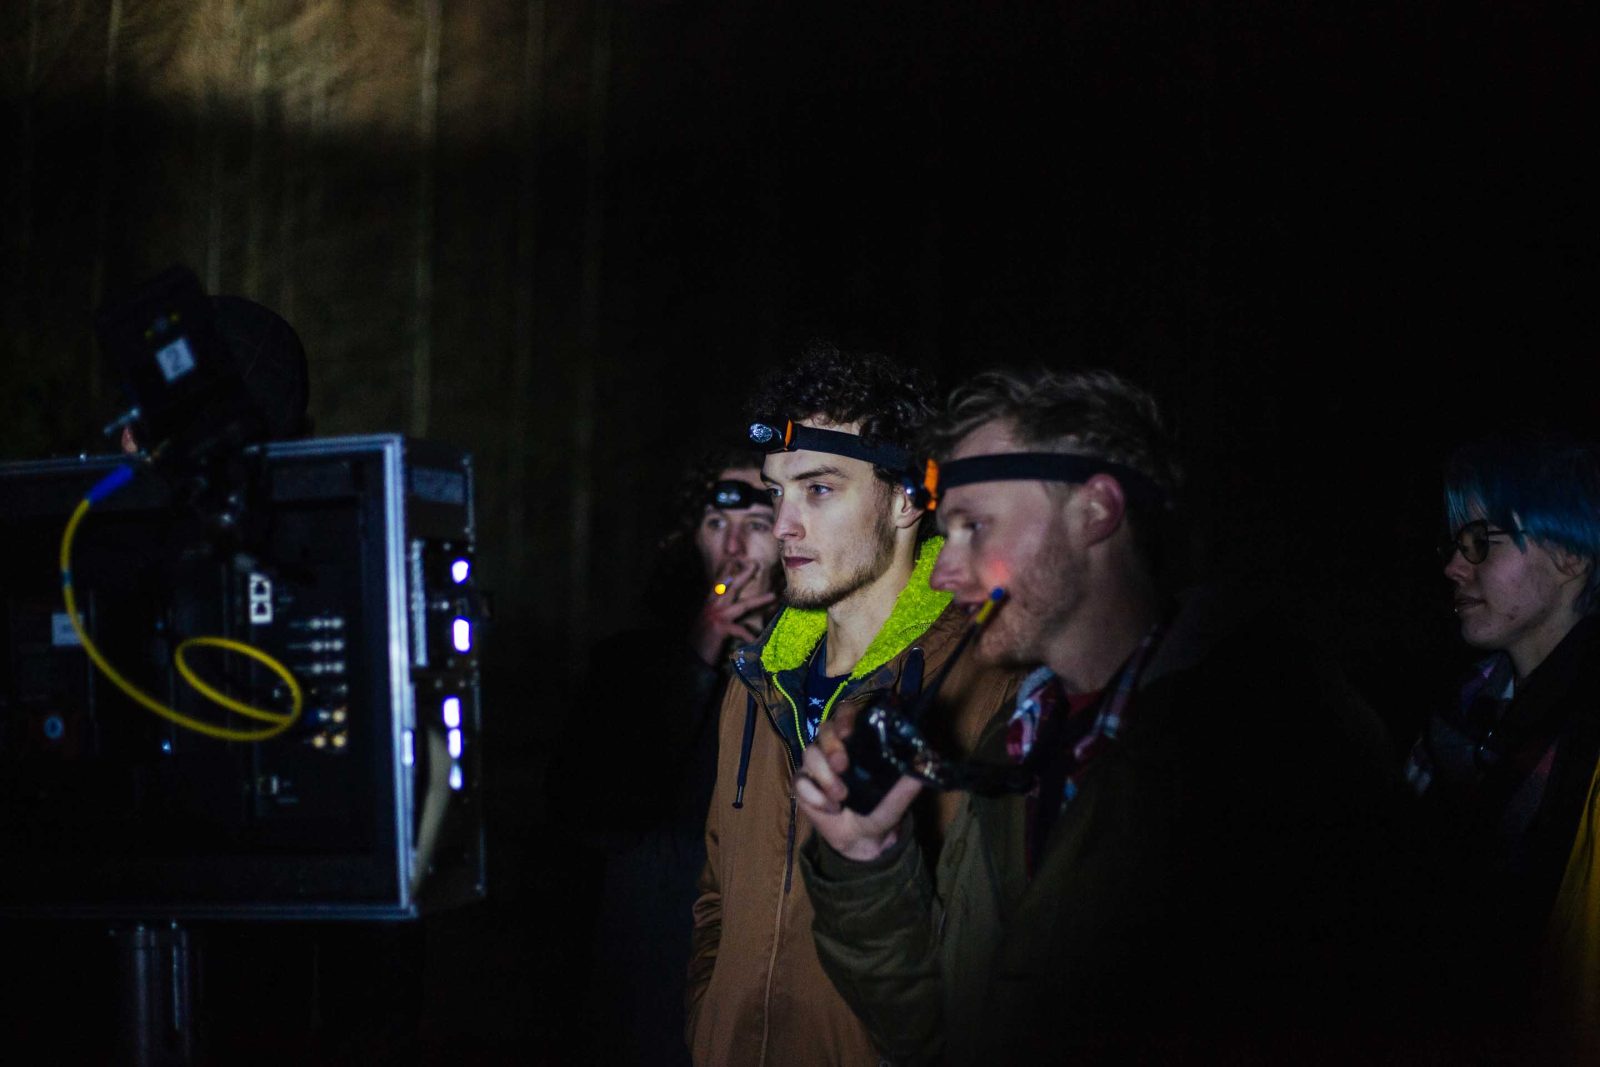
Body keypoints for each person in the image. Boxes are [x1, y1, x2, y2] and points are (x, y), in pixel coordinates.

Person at [796, 367, 1400, 1062]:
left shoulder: (1270, 748)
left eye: (975, 527)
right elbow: (945, 1035)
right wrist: (867, 861)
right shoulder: (1012, 748)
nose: (942, 571)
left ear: (1096, 510)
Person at [685, 344, 1018, 1066]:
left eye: (819, 489)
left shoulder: (987, 688)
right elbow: (715, 901)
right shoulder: (757, 680)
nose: (782, 525)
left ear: (907, 499)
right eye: (777, 492)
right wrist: (709, 1027)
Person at [574, 446, 782, 1066]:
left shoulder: (821, 667)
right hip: (652, 971)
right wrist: (698, 654)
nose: (734, 547)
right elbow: (599, 813)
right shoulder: (627, 662)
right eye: (716, 524)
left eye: (757, 525)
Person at [1403, 440, 1600, 1054]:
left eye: (1479, 542)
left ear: (1569, 555)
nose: (1453, 567)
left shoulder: (1587, 749)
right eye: (1453, 544)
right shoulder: (1461, 714)